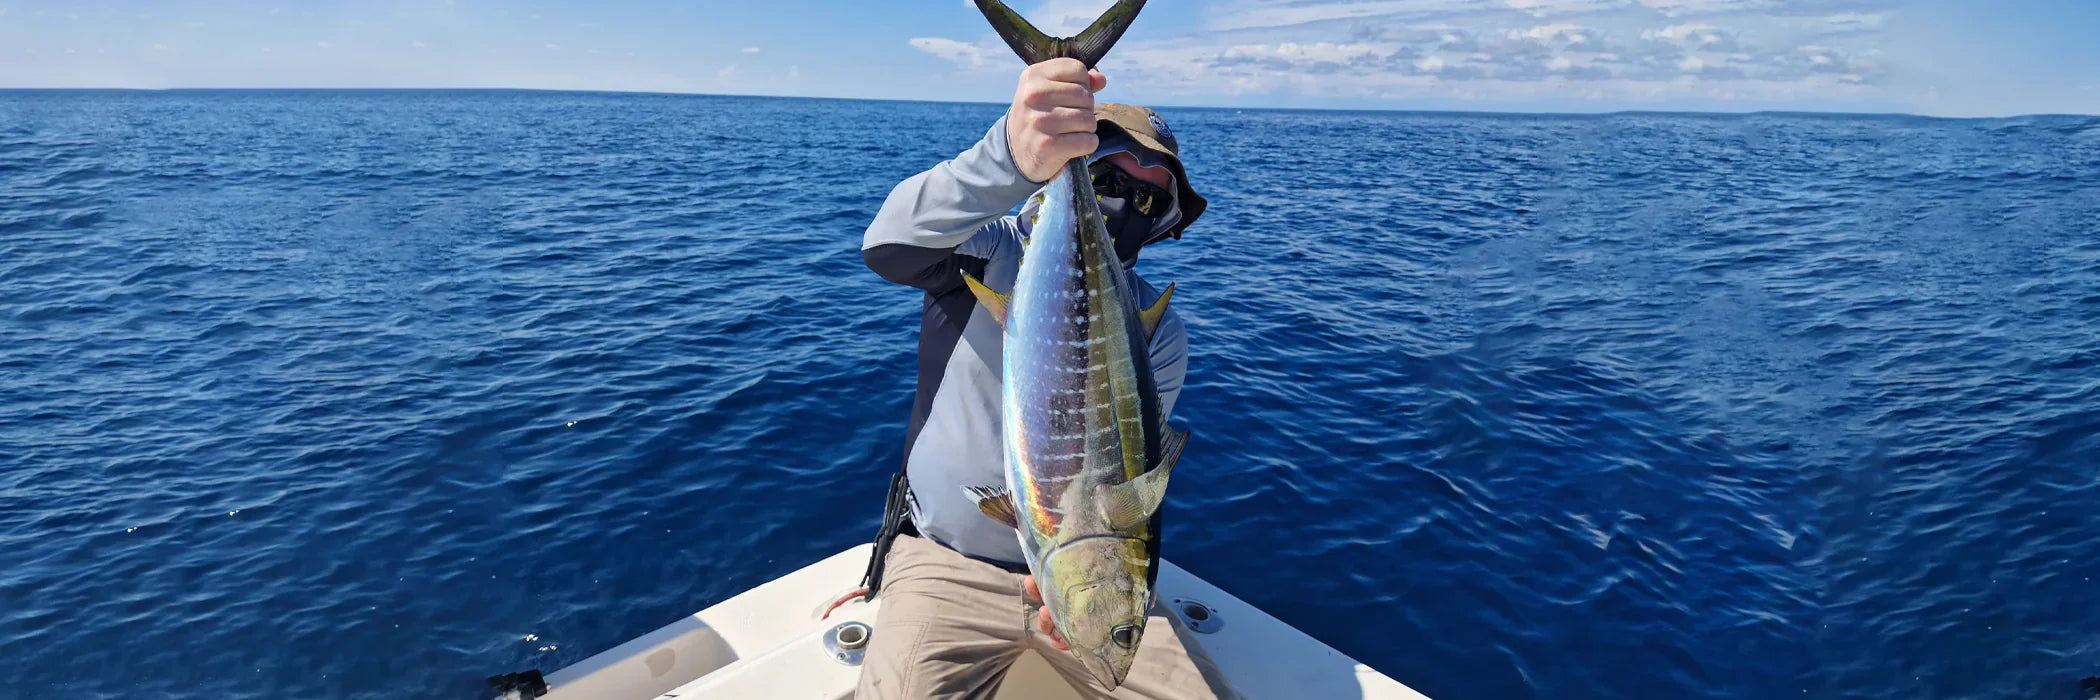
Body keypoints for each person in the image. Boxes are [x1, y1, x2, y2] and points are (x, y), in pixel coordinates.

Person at [853, 56, 1232, 700]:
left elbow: (1122, 471)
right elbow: (888, 246)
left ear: (1162, 220)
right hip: (946, 566)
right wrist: (1009, 157)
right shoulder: (991, 249)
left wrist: (1080, 588)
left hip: (1072, 573)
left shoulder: (1158, 332)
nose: (1125, 205)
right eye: (1110, 177)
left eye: (1147, 197)